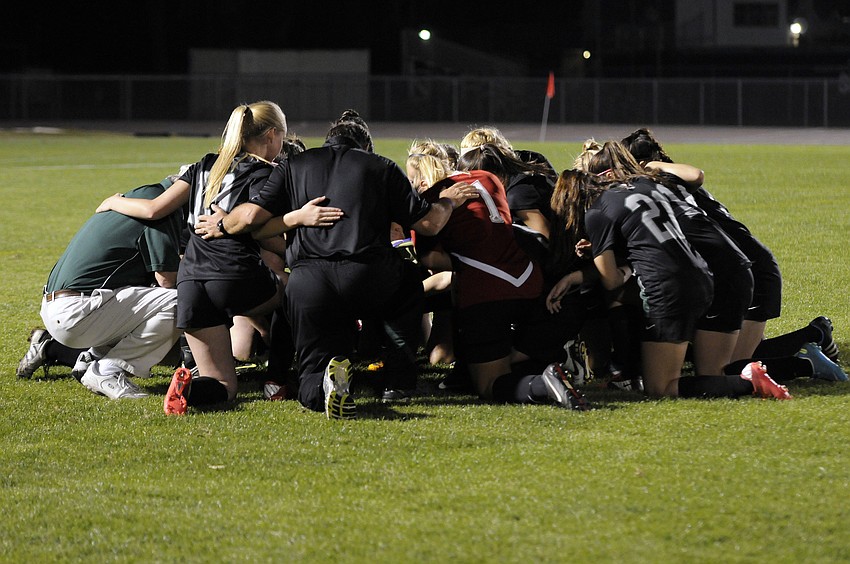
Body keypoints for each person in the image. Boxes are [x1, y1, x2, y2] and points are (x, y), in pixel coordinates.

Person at [194, 110, 480, 419]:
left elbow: (254, 221)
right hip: (369, 277)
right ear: (364, 147)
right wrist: (449, 200)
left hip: (309, 280)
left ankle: (318, 389)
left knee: (313, 362)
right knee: (410, 282)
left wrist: (224, 225)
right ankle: (398, 380)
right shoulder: (380, 166)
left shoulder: (294, 165)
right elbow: (429, 224)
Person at [98, 101, 343, 414]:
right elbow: (257, 227)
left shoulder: (205, 164)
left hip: (189, 282)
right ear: (270, 135)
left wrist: (115, 201)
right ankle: (278, 377)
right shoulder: (266, 172)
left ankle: (187, 388)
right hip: (234, 274)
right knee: (296, 291)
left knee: (224, 388)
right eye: (281, 137)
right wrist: (298, 218)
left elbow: (156, 209)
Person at [620, 128, 844, 382]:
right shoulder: (672, 185)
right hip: (748, 268)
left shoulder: (667, 185)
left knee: (729, 369)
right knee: (723, 358)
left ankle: (807, 353)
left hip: (750, 272)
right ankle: (812, 336)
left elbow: (695, 176)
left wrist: (650, 165)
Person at [547, 168, 791, 400]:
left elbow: (611, 281)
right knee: (710, 373)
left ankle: (747, 381)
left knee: (661, 387)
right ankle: (785, 368)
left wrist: (599, 259)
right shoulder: (639, 188)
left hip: (667, 289)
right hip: (704, 276)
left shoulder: (596, 214)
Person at [409, 141, 590, 409]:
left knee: (488, 385)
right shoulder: (489, 178)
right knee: (506, 352)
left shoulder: (428, 200)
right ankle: (552, 364)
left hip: (484, 290)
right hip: (529, 280)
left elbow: (432, 260)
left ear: (422, 181)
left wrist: (461, 257)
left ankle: (543, 383)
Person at [39, 175, 184, 399]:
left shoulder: (142, 197)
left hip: (63, 305)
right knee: (181, 301)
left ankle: (91, 359)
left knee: (148, 298)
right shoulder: (162, 208)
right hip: (77, 311)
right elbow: (167, 279)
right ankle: (108, 370)